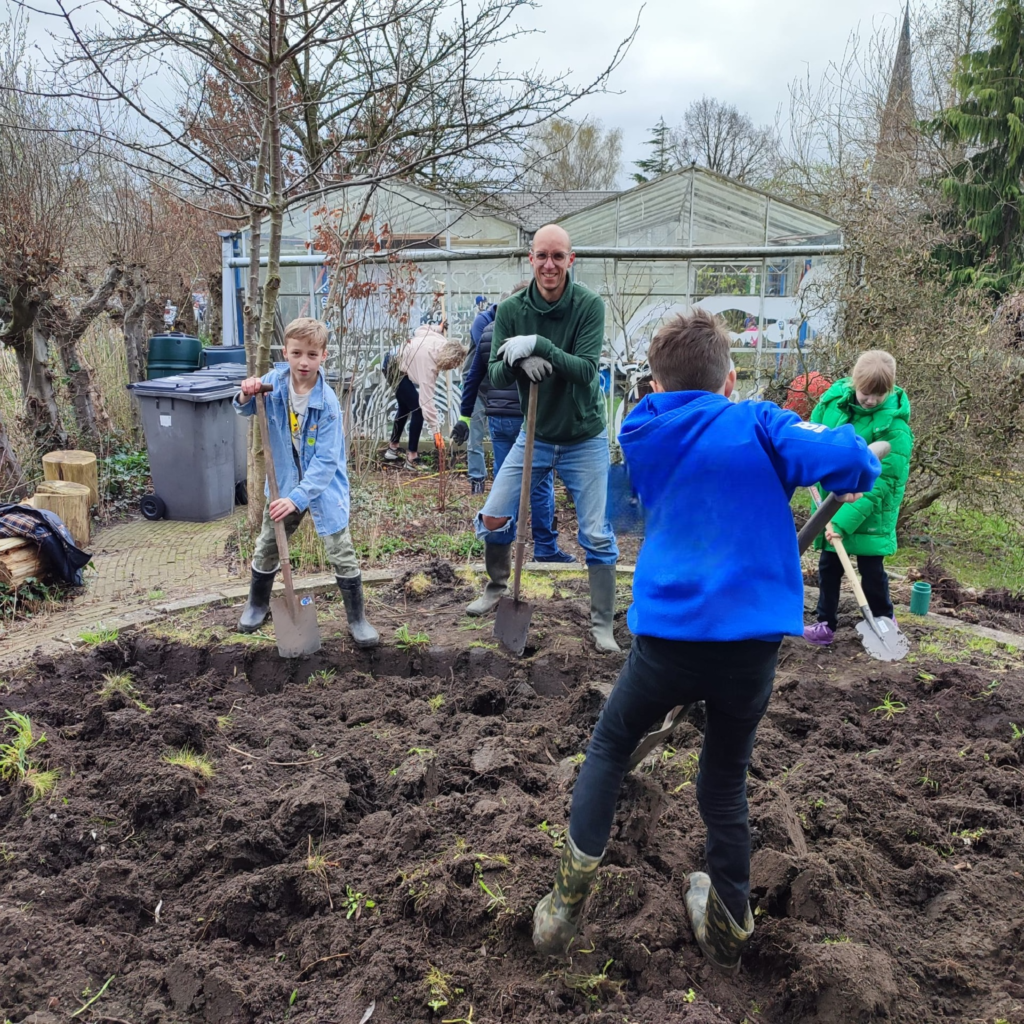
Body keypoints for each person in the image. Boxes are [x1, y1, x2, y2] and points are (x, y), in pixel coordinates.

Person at [531, 310, 881, 971]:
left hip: (666, 643)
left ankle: (565, 905)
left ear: (658, 382)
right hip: (748, 649)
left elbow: (681, 431)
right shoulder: (762, 423)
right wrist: (864, 456)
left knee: (609, 746)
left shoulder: (641, 427)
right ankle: (728, 926)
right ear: (732, 377)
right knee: (723, 782)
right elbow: (845, 462)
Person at [465, 224, 619, 652]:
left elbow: (587, 370)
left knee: (595, 533)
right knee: (494, 514)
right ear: (530, 260)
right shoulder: (512, 309)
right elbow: (494, 374)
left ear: (571, 260)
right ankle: (496, 588)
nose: (549, 265)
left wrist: (540, 346)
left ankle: (602, 622)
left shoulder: (588, 305)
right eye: (541, 256)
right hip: (533, 434)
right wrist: (516, 363)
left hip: (583, 436)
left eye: (558, 256)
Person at [234, 317, 379, 648]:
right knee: (268, 544)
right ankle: (257, 605)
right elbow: (243, 409)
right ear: (285, 352)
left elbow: (326, 463)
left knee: (341, 550)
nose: (303, 362)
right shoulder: (274, 383)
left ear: (323, 356)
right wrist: (246, 392)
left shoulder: (327, 403)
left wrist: (297, 499)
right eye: (297, 353)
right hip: (284, 481)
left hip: (323, 489)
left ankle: (357, 619)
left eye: (312, 355)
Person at [454, 283, 573, 562]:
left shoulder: (487, 333)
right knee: (540, 484)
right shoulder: (533, 332)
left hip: (497, 418)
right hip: (526, 419)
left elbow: (473, 378)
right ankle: (544, 548)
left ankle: (505, 550)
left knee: (505, 483)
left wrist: (465, 416)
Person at [803, 350, 912, 646]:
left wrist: (841, 522)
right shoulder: (832, 404)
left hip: (869, 514)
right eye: (866, 392)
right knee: (828, 568)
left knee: (871, 572)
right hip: (831, 503)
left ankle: (884, 621)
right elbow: (814, 436)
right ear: (854, 382)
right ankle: (825, 623)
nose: (871, 400)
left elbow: (882, 483)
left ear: (889, 389)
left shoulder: (896, 429)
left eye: (879, 394)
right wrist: (807, 464)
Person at [384, 320, 465, 470]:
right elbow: (426, 401)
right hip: (392, 366)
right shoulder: (429, 365)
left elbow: (420, 330)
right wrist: (436, 432)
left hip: (398, 359)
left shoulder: (440, 339)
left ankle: (392, 449)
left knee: (405, 406)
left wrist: (438, 328)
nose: (450, 368)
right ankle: (412, 457)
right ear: (448, 359)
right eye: (452, 365)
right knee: (418, 409)